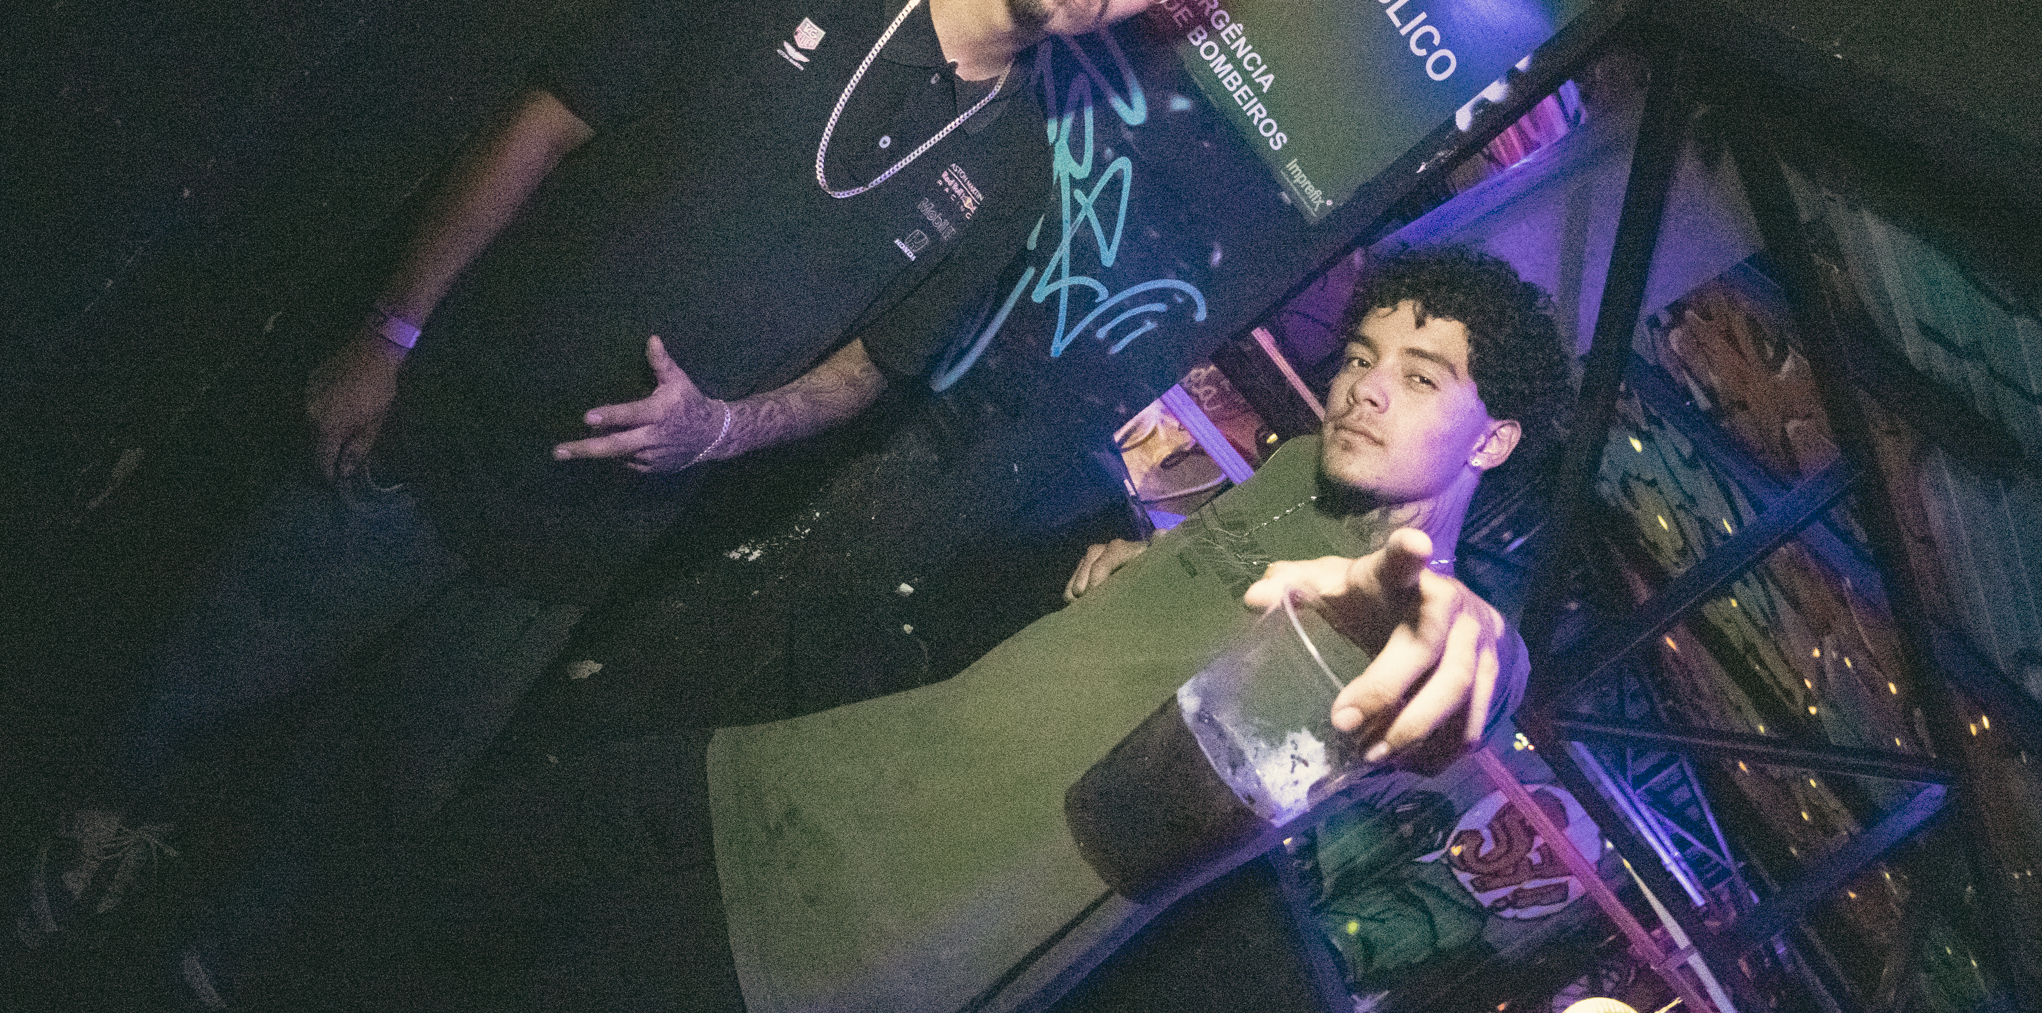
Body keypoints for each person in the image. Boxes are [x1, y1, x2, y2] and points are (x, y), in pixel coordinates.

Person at [16, 0, 1252, 1006]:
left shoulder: (1014, 171)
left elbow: (872, 368)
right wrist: (391, 330)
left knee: (373, 796)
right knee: (210, 659)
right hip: (444, 420)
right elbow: (546, 121)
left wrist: (727, 428)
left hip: (578, 544)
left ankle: (219, 968)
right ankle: (68, 837)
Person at [383, 246, 1571, 1013]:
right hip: (798, 773)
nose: (1367, 385)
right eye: (1361, 355)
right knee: (423, 887)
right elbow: (1204, 584)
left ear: (1493, 437)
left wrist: (1471, 636)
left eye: (1422, 377)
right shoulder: (1300, 465)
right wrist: (1145, 557)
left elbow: (1468, 677)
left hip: (851, 938)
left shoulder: (1404, 626)